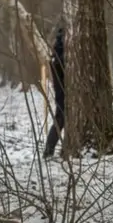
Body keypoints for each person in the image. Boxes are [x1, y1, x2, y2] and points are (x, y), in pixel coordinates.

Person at [43, 24, 65, 158]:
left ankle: (49, 149)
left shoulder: (57, 54)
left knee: (60, 119)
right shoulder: (59, 56)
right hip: (62, 93)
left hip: (61, 92)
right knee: (61, 119)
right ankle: (49, 149)